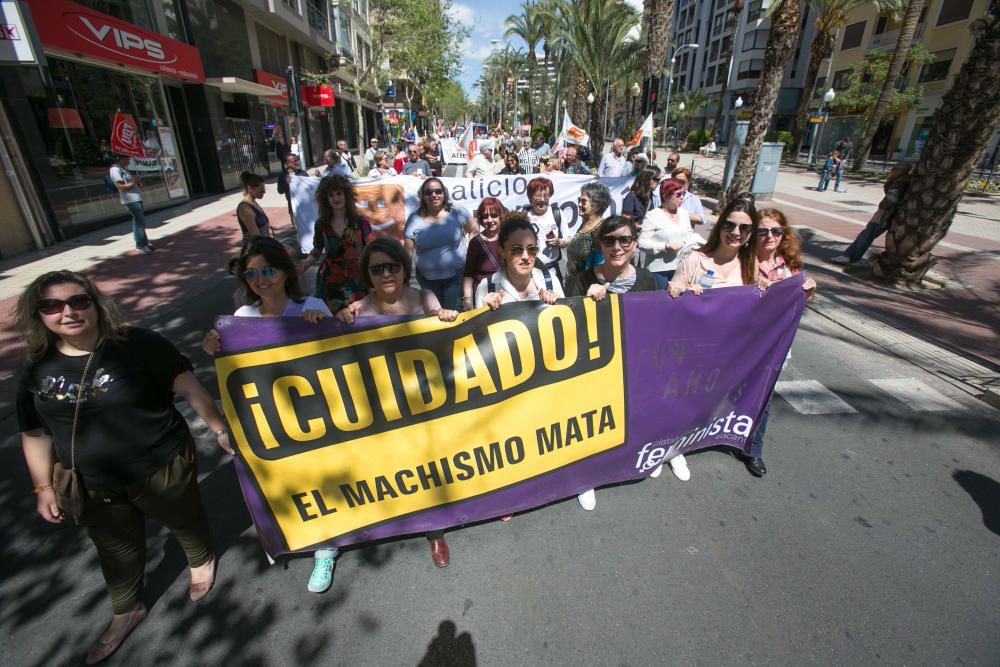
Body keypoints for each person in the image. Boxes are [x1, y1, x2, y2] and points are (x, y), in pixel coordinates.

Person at [17, 270, 230, 664]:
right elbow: (34, 433)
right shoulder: (35, 368)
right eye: (53, 305)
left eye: (79, 301)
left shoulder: (138, 345)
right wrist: (43, 487)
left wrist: (219, 428)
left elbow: (188, 386)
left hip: (160, 461)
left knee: (182, 516)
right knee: (115, 549)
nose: (68, 312)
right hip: (91, 481)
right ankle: (126, 608)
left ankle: (200, 560)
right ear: (39, 314)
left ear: (96, 304)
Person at [200, 238, 336, 592]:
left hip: (314, 414)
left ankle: (327, 546)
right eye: (251, 273)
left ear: (284, 271)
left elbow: (339, 356)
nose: (260, 279)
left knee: (318, 475)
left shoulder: (313, 305)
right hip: (269, 420)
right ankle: (304, 530)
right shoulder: (241, 320)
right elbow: (234, 374)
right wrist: (213, 344)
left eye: (268, 270)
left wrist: (319, 324)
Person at [336, 238, 458, 567]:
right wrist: (339, 318)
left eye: (393, 266)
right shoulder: (359, 310)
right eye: (377, 269)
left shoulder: (424, 297)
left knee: (428, 461)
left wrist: (445, 315)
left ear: (405, 269)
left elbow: (443, 328)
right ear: (368, 275)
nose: (386, 274)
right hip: (382, 405)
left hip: (425, 398)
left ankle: (434, 529)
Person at [564, 216, 659, 509]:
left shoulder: (647, 280)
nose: (617, 247)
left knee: (632, 417)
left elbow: (657, 325)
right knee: (592, 424)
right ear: (599, 244)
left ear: (634, 243)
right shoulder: (579, 281)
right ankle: (586, 476)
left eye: (624, 240)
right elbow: (569, 332)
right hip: (594, 370)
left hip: (634, 368)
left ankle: (637, 457)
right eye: (609, 241)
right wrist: (590, 307)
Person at [665, 195, 759, 481]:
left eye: (744, 228)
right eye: (730, 225)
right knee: (679, 398)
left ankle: (689, 442)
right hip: (691, 349)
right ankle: (669, 450)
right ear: (720, 226)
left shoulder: (749, 265)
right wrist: (683, 294)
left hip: (727, 352)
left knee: (706, 400)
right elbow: (671, 299)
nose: (736, 233)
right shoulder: (696, 259)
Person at [749, 208, 817, 476]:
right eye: (763, 231)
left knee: (763, 399)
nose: (769, 236)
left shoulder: (790, 265)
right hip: (741, 343)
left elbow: (796, 305)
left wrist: (807, 292)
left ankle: (753, 450)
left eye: (776, 231)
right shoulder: (742, 260)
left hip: (775, 345)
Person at [403, 178, 478, 312]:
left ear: (444, 193)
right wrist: (404, 278)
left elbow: (474, 230)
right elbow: (407, 252)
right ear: (422, 196)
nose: (434, 195)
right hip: (426, 279)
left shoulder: (457, 212)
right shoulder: (413, 219)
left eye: (438, 191)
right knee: (434, 314)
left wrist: (469, 254)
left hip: (455, 276)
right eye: (429, 192)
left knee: (453, 312)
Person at [299, 175, 370, 311]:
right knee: (333, 318)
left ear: (346, 195)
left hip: (357, 279)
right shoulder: (321, 224)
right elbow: (317, 249)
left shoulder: (360, 222)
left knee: (359, 316)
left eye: (339, 193)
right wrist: (304, 265)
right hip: (331, 280)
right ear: (326, 199)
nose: (336, 198)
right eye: (331, 195)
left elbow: (371, 250)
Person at [474, 212, 563, 308]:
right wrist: (485, 313)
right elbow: (479, 323)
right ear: (502, 251)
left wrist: (559, 306)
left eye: (531, 249)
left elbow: (568, 320)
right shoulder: (487, 287)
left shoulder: (551, 281)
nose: (525, 256)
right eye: (517, 249)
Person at [832, 162, 913, 264]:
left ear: (902, 171)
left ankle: (850, 257)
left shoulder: (900, 183)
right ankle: (849, 255)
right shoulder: (901, 181)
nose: (892, 171)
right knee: (866, 235)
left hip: (885, 214)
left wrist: (885, 205)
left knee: (867, 235)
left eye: (895, 169)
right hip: (886, 213)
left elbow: (892, 198)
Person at [638, 178, 699, 285]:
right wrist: (665, 247)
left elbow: (689, 236)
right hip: (658, 272)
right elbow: (642, 243)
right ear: (666, 196)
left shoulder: (684, 214)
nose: (682, 197)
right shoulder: (653, 215)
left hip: (682, 268)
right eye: (678, 194)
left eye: (684, 193)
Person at [562, 181, 611, 283]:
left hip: (587, 289)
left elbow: (602, 267)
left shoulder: (602, 231)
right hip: (572, 285)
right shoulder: (584, 225)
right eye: (579, 200)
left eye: (584, 201)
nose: (579, 204)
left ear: (597, 206)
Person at [462, 198, 506, 310]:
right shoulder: (475, 242)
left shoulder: (509, 238)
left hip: (506, 293)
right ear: (481, 219)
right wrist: (468, 301)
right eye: (485, 216)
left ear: (500, 216)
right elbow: (468, 274)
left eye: (494, 215)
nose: (490, 220)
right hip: (484, 296)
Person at [109, 154, 153, 255]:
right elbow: (120, 186)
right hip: (130, 200)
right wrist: (134, 181)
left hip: (135, 199)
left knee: (141, 222)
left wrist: (137, 181)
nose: (129, 160)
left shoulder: (123, 169)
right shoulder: (115, 170)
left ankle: (144, 242)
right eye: (127, 159)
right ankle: (140, 245)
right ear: (120, 159)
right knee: (138, 222)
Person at [235, 172, 274, 254]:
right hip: (254, 252)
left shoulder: (254, 203)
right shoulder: (244, 208)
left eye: (264, 190)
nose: (264, 192)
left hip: (264, 246)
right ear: (250, 188)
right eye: (261, 190)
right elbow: (256, 237)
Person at [276, 152, 308, 222]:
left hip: (307, 206)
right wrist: (287, 183)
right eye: (294, 161)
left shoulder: (303, 173)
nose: (297, 162)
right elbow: (280, 191)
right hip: (294, 208)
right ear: (287, 163)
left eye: (297, 160)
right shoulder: (283, 175)